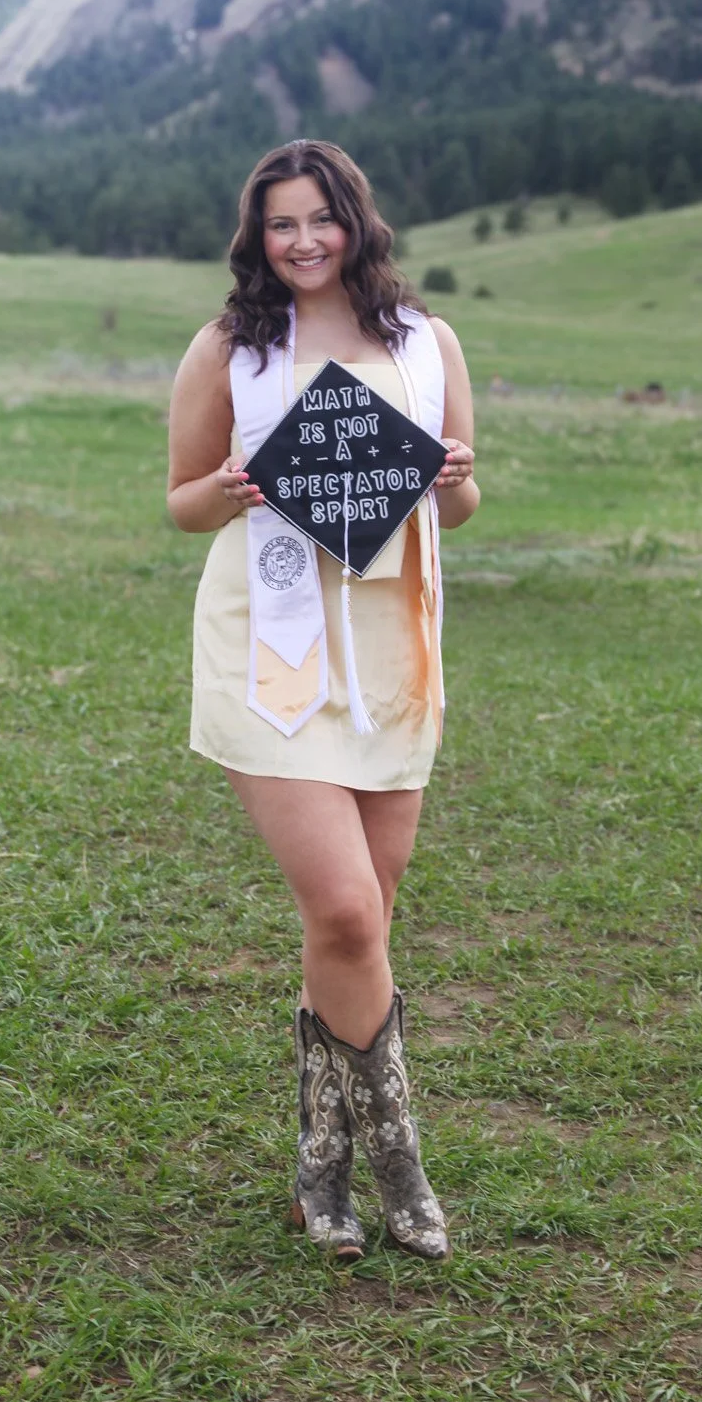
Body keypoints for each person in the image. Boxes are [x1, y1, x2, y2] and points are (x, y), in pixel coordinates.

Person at [167, 140, 478, 1262]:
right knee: (345, 910)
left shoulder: (425, 342)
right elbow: (182, 502)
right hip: (274, 650)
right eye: (280, 223)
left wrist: (455, 479)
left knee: (360, 924)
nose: (302, 240)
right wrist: (228, 487)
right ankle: (400, 1160)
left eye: (320, 218)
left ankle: (321, 1158)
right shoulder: (231, 348)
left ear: (356, 219)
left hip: (392, 655)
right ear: (257, 236)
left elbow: (461, 500)